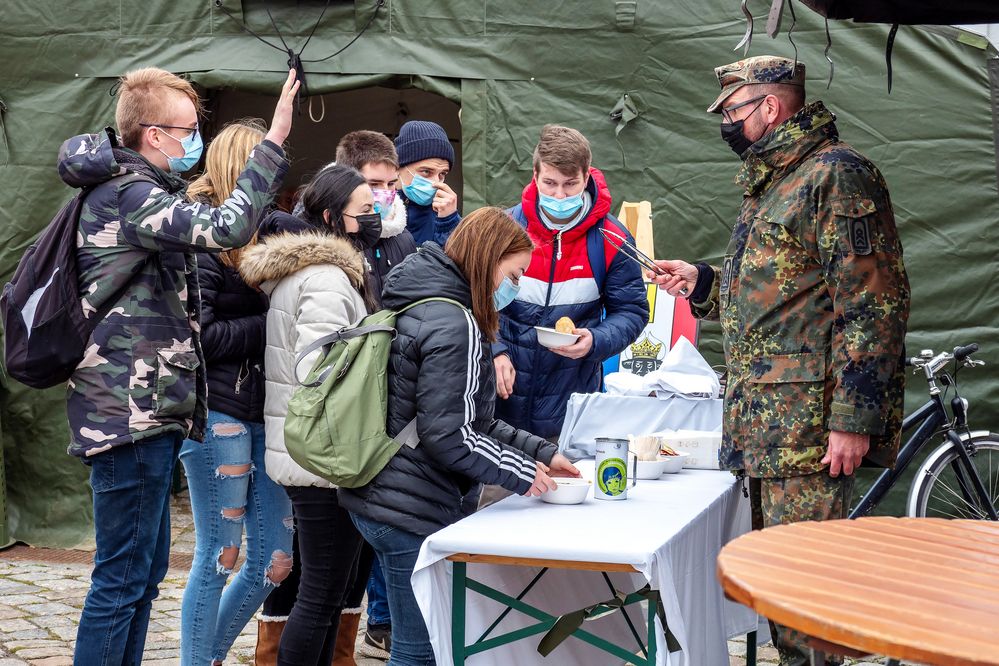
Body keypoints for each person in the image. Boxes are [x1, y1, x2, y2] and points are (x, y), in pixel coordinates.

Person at [648, 55, 910, 666]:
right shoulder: (776, 180)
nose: (728, 125)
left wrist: (852, 420)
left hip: (809, 430)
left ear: (771, 107)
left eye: (735, 111)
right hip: (768, 426)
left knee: (809, 598)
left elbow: (874, 306)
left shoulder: (835, 176)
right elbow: (780, 295)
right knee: (782, 594)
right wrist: (704, 281)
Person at [62, 66, 298, 665]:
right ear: (153, 133)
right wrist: (272, 143)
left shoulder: (137, 190)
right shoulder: (129, 194)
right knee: (121, 579)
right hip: (127, 411)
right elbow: (228, 226)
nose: (193, 141)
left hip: (147, 411)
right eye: (188, 130)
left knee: (141, 576)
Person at [339, 207, 581, 666]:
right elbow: (448, 435)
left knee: (424, 645)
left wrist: (544, 454)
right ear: (490, 260)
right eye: (514, 273)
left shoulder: (427, 300)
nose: (516, 286)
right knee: (420, 651)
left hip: (384, 492)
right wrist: (524, 473)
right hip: (407, 503)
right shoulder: (456, 322)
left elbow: (474, 418)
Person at [239, 164, 382, 666]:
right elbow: (319, 367)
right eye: (365, 210)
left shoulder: (312, 273)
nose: (375, 216)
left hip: (311, 451)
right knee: (322, 592)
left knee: (327, 588)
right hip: (321, 455)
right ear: (330, 217)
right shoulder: (324, 278)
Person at [177, 119, 295, 665]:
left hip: (267, 413)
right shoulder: (197, 239)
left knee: (275, 560)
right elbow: (198, 337)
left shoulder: (274, 234)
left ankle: (209, 655)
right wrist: (271, 321)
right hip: (216, 411)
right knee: (220, 554)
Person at [493, 125, 649, 440]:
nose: (559, 195)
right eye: (549, 183)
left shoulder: (612, 239)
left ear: (586, 178)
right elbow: (471, 299)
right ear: (534, 175)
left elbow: (632, 310)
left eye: (570, 184)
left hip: (569, 413)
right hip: (498, 408)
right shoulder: (504, 228)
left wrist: (597, 339)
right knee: (499, 490)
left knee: (564, 488)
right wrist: (494, 351)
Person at [334, 129, 419, 661]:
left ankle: (378, 625)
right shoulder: (336, 245)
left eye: (392, 184)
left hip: (393, 399)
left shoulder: (400, 239)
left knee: (386, 521)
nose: (384, 195)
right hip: (348, 404)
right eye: (373, 185)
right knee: (342, 542)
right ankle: (357, 623)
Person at [394, 120, 460, 246]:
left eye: (442, 174)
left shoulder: (445, 215)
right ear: (398, 167)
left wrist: (449, 223)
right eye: (426, 171)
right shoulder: (376, 207)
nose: (435, 182)